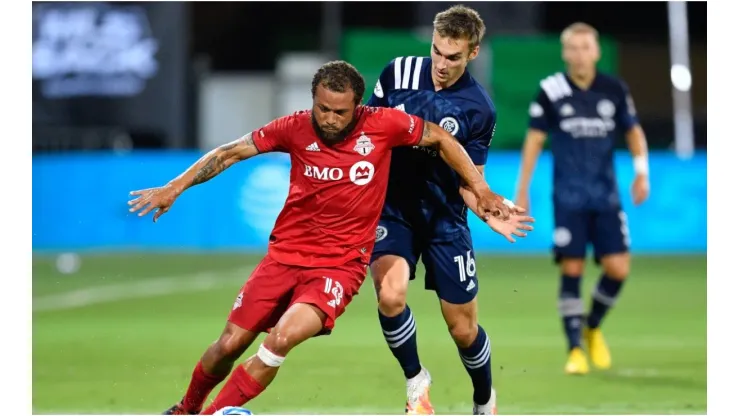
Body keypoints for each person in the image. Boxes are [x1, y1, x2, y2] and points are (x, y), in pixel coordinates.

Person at [128, 60, 525, 415]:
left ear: (359, 106)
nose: (331, 119)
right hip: (282, 259)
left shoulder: (383, 125)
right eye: (323, 109)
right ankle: (187, 409)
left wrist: (481, 189)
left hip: (337, 268)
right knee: (225, 348)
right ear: (312, 100)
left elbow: (440, 137)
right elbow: (231, 152)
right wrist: (174, 187)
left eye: (340, 111)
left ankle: (218, 413)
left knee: (281, 338)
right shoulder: (294, 127)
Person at [366, 5, 534, 415]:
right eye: (437, 51)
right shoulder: (397, 72)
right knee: (390, 295)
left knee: (462, 329)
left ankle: (483, 399)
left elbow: (469, 179)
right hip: (393, 209)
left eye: (453, 56)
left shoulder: (479, 108)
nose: (441, 64)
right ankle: (415, 381)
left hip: (444, 219)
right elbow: (368, 129)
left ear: (473, 53)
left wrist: (487, 209)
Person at [514, 22, 650, 375]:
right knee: (572, 268)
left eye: (585, 47)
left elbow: (633, 130)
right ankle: (574, 349)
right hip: (569, 198)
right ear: (564, 53)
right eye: (572, 48)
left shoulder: (614, 89)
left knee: (618, 268)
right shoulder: (551, 89)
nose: (579, 54)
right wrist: (522, 188)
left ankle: (592, 327)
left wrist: (641, 171)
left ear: (597, 51)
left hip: (606, 196)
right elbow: (534, 140)